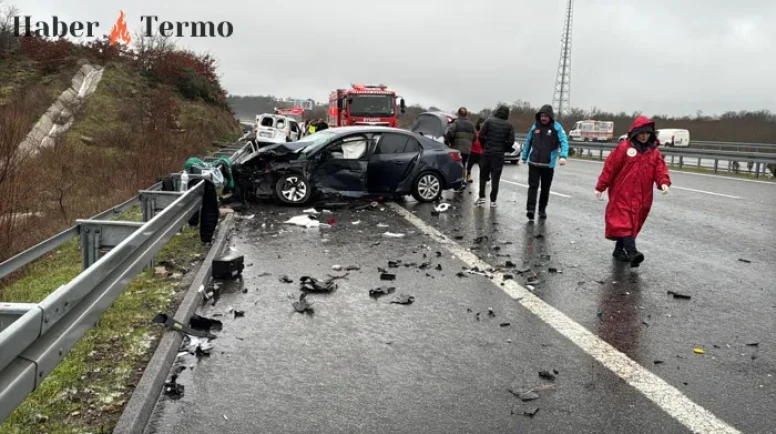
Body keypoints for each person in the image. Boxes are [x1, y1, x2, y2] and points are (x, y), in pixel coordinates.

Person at [595, 116, 671, 267]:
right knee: (625, 223)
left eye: (647, 133)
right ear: (635, 133)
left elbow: (660, 169)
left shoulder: (654, 153)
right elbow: (610, 167)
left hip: (643, 196)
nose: (644, 136)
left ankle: (618, 251)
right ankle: (632, 252)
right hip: (622, 193)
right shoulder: (624, 148)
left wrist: (663, 182)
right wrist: (601, 186)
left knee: (633, 224)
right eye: (641, 133)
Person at [521, 105, 569, 221]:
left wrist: (563, 156)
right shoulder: (535, 126)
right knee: (533, 187)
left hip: (548, 164)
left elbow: (564, 142)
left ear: (550, 117)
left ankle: (542, 210)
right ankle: (530, 209)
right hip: (533, 162)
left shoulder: (557, 127)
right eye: (542, 116)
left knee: (545, 188)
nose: (543, 118)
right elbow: (528, 141)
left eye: (546, 116)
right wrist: (524, 156)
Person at [476, 105, 515, 207]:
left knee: (483, 175)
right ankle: (493, 201)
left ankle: (481, 197)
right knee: (495, 178)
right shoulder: (509, 125)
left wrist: (485, 145)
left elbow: (481, 135)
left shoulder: (489, 121)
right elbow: (511, 141)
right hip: (498, 155)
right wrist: (504, 148)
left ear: (497, 112)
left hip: (487, 152)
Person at [445, 107, 476, 191]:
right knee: (463, 164)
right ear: (466, 114)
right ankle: (463, 181)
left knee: (456, 165)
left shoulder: (455, 123)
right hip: (467, 149)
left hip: (456, 149)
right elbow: (475, 137)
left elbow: (450, 134)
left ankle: (457, 183)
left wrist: (450, 142)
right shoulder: (471, 125)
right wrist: (469, 143)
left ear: (458, 114)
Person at [467, 117, 485, 183]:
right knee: (469, 166)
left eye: (483, 124)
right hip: (473, 151)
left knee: (482, 167)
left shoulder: (485, 132)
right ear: (479, 124)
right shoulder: (475, 131)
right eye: (481, 123)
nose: (482, 125)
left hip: (481, 152)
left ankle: (483, 179)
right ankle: (468, 177)